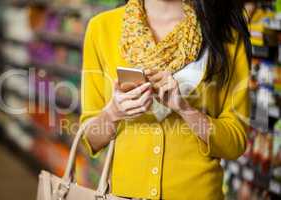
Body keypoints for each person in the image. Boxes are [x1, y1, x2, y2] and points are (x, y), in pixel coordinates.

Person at [80, 0, 251, 199]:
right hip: (125, 193)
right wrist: (113, 113)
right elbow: (89, 139)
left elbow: (235, 142)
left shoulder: (224, 35)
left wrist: (186, 110)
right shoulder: (102, 29)